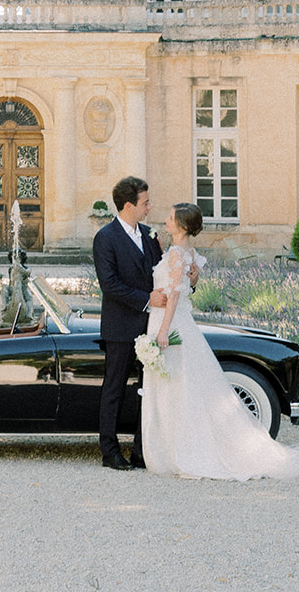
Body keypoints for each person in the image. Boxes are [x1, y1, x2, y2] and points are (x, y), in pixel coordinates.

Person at [141, 202, 299, 481]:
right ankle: (181, 448)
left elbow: (174, 295)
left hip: (171, 323)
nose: (165, 219)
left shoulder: (178, 254)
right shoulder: (187, 253)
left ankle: (184, 451)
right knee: (184, 386)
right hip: (180, 323)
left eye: (171, 217)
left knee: (179, 386)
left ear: (183, 226)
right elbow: (186, 287)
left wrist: (163, 330)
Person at [92, 175, 191, 470]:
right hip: (121, 327)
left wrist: (187, 279)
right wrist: (147, 299)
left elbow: (165, 273)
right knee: (115, 389)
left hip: (152, 326)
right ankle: (109, 451)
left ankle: (141, 449)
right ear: (128, 206)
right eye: (145, 203)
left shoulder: (149, 235)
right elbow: (109, 285)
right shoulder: (105, 238)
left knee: (147, 390)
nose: (150, 208)